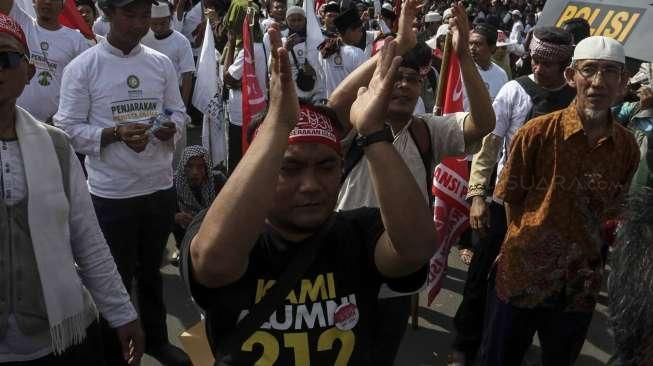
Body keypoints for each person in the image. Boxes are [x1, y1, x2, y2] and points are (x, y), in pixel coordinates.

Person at [181, 25, 438, 365]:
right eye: (289, 168)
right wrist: (276, 126)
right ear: (262, 166)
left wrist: (372, 133)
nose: (311, 185)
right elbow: (214, 263)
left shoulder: (360, 233)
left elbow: (417, 250)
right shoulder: (225, 231)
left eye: (326, 166)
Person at [330, 3, 495, 364]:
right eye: (396, 76)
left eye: (413, 79)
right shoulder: (356, 122)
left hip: (397, 265)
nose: (404, 86)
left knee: (381, 350)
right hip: (343, 259)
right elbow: (336, 102)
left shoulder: (427, 131)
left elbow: (483, 123)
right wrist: (400, 43)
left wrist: (464, 56)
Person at [479, 36, 640, 366]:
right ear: (571, 77)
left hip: (579, 285)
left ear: (623, 82)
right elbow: (512, 200)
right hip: (523, 275)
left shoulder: (626, 147)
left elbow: (614, 209)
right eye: (589, 70)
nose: (598, 82)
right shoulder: (537, 133)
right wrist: (527, 245)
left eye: (610, 72)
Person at [52, 0, 191, 363]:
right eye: (130, 14)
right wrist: (113, 134)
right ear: (108, 14)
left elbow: (178, 111)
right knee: (113, 277)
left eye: (144, 15)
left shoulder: (159, 63)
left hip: (158, 187)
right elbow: (65, 128)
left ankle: (158, 340)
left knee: (152, 272)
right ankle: (114, 351)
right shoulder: (84, 67)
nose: (139, 23)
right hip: (111, 194)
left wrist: (169, 129)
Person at [0, 13, 142, 365]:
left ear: (29, 72)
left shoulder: (56, 146)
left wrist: (122, 313)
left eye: (6, 59)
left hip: (55, 340)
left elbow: (86, 237)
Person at [451, 26, 575, 366]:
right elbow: (489, 146)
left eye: (547, 64)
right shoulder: (513, 90)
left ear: (566, 65)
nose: (538, 68)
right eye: (534, 60)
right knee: (481, 278)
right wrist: (477, 195)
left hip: (550, 211)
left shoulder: (577, 100)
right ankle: (464, 346)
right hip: (504, 202)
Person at [3, 0, 89, 123]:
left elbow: (83, 86)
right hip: (16, 121)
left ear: (62, 5)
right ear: (34, 2)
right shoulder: (22, 23)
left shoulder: (76, 40)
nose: (48, 2)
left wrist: (62, 116)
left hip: (57, 126)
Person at [172, 146, 225, 259]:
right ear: (183, 167)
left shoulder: (218, 180)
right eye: (189, 166)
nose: (195, 172)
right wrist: (176, 217)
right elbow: (162, 212)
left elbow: (230, 205)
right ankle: (182, 248)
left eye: (200, 167)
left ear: (207, 168)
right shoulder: (173, 184)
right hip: (185, 229)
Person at [141, 2, 195, 108]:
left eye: (163, 23)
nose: (159, 28)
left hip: (173, 95)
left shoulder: (181, 41)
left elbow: (187, 76)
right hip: (149, 96)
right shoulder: (145, 38)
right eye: (154, 24)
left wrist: (182, 108)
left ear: (170, 19)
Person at [319, 7, 367, 97]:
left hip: (326, 105)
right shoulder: (357, 53)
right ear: (349, 31)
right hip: (347, 106)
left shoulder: (324, 49)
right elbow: (363, 84)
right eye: (359, 30)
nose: (361, 34)